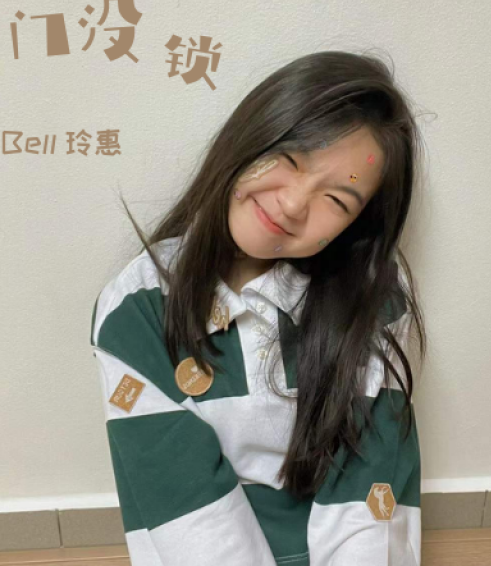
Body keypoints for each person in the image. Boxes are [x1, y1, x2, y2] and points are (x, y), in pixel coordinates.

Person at [90, 50, 427, 566]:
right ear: (251, 136)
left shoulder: (373, 299)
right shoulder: (135, 311)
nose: (292, 204)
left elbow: (368, 495)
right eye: (291, 159)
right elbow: (184, 507)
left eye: (337, 201)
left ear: (354, 226)